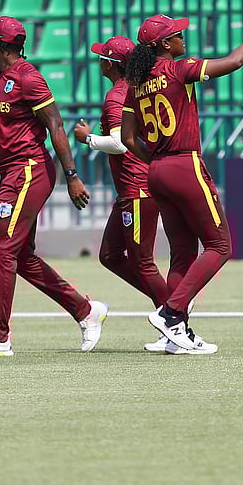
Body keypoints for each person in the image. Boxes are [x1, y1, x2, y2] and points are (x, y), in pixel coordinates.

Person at [0, 16, 107, 358]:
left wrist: (72, 175)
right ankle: (85, 310)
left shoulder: (29, 78)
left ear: (1, 45)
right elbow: (0, 124)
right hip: (12, 173)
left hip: (29, 172)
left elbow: (55, 124)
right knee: (19, 255)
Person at [120, 13, 243, 354]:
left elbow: (128, 138)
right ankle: (172, 314)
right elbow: (235, 62)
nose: (182, 38)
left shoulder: (137, 83)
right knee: (220, 246)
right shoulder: (177, 69)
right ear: (164, 44)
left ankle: (175, 335)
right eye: (177, 34)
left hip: (157, 169)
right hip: (184, 164)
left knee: (182, 254)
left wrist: (157, 162)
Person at [73, 36, 171, 352]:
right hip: (130, 189)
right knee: (110, 255)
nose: (99, 61)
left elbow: (119, 141)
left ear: (112, 64)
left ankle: (174, 313)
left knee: (143, 263)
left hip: (138, 188)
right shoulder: (133, 90)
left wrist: (88, 139)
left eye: (103, 57)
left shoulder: (117, 96)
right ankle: (170, 304)